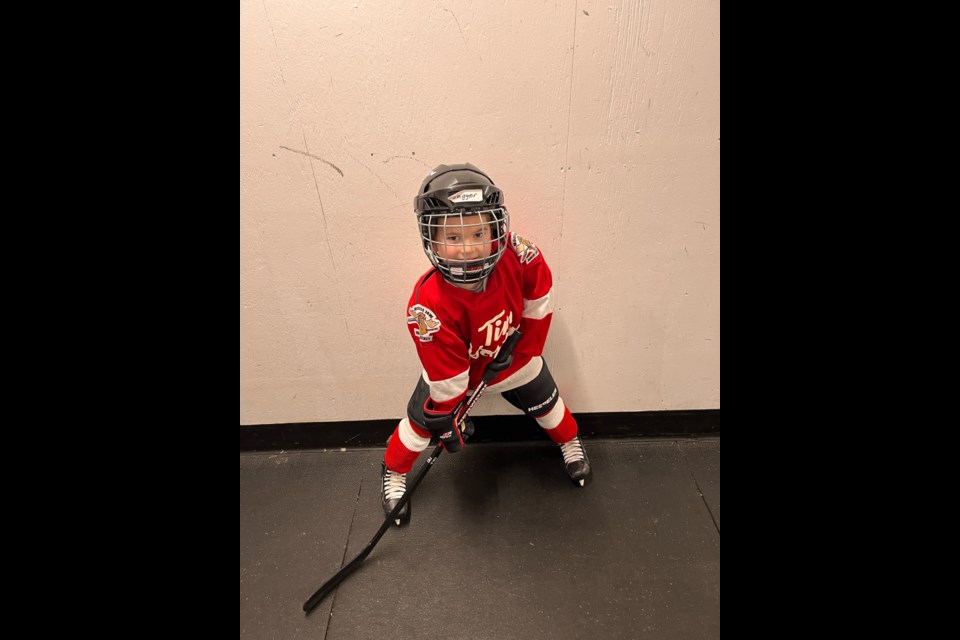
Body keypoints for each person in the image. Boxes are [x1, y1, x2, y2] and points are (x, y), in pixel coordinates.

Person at [381, 163, 591, 525]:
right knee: (421, 424)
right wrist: (449, 414)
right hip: (456, 376)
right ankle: (393, 470)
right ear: (431, 239)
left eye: (478, 234)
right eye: (454, 237)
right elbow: (446, 376)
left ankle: (569, 442)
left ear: (496, 229)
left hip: (514, 354)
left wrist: (526, 350)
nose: (467, 249)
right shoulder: (426, 306)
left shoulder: (519, 255)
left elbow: (539, 294)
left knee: (549, 404)